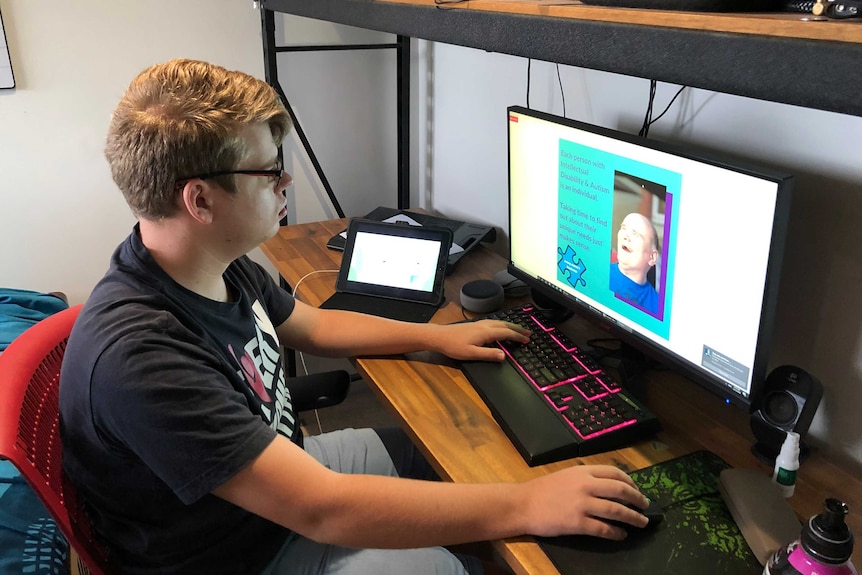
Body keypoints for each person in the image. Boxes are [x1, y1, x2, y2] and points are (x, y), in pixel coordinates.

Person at [59, 59, 649, 575]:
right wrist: (528, 505)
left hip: (274, 477)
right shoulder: (143, 358)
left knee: (427, 458)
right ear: (202, 200)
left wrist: (438, 337)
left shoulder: (207, 261)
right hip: (234, 552)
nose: (286, 180)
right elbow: (323, 507)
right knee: (455, 563)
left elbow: (314, 327)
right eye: (270, 171)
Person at [610, 212, 660, 314]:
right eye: (623, 228)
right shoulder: (598, 273)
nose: (625, 236)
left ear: (652, 257)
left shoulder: (658, 307)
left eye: (635, 234)